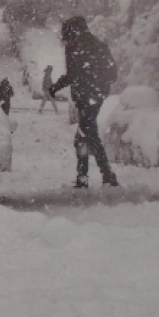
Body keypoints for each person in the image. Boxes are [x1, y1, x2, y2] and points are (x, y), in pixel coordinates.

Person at [47, 16, 119, 188]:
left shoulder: (75, 48)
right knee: (86, 134)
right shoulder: (100, 47)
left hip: (85, 97)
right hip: (96, 96)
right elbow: (113, 74)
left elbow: (73, 74)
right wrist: (99, 85)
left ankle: (98, 176)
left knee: (85, 136)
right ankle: (96, 175)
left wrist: (54, 87)